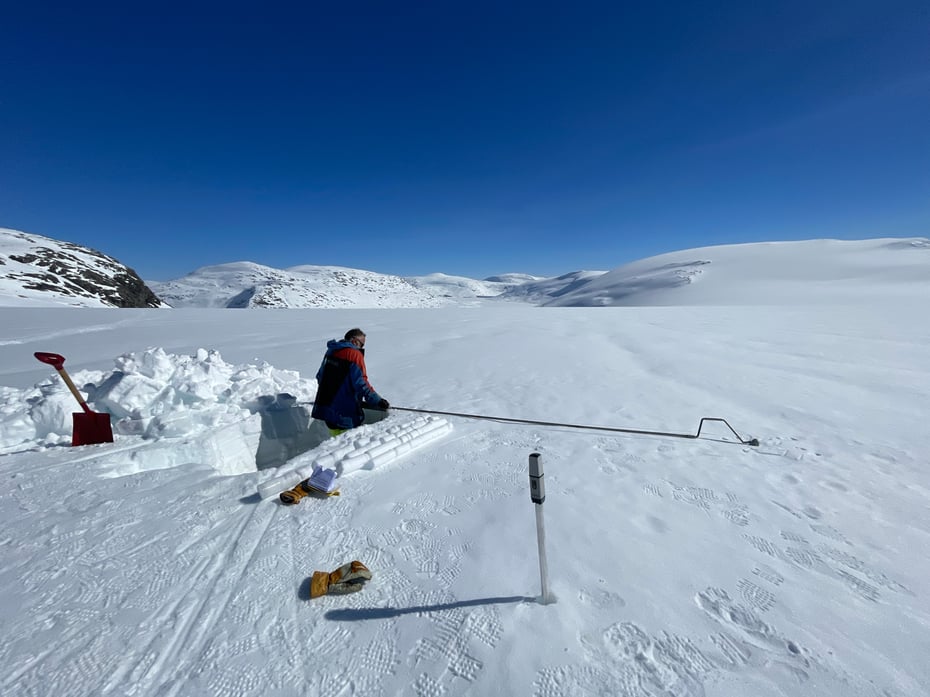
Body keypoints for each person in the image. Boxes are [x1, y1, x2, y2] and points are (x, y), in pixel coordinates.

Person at [311, 328, 389, 433]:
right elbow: (361, 384)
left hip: (327, 411)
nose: (362, 347)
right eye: (361, 344)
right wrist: (377, 401)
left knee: (336, 442)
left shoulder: (331, 351)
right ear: (354, 341)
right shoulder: (354, 355)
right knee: (346, 445)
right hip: (345, 413)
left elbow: (320, 376)